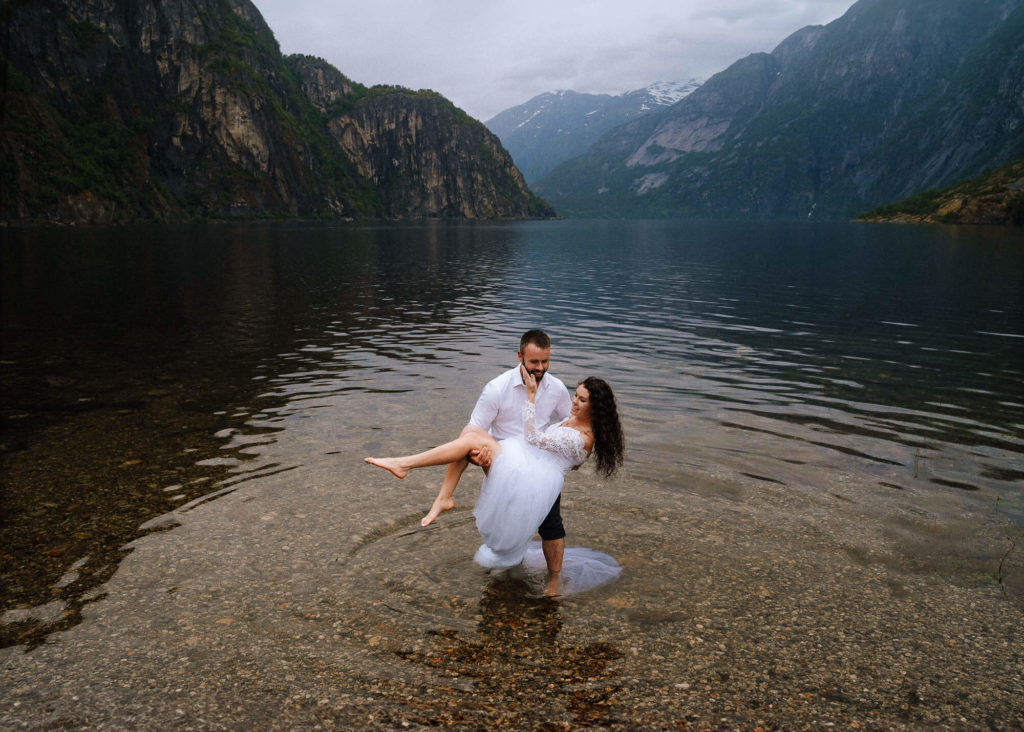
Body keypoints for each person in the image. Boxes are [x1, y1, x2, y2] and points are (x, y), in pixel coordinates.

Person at [365, 370, 625, 594]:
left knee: (471, 439)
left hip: (533, 478)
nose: (574, 401)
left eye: (582, 399)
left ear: (596, 407)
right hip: (531, 468)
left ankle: (408, 467)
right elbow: (562, 454)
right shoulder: (572, 420)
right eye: (575, 395)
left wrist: (532, 396)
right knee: (470, 433)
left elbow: (535, 438)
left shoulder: (583, 437)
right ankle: (438, 492)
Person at [423, 330, 573, 582]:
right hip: (504, 468)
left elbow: (570, 425)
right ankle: (506, 576)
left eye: (545, 361)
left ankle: (554, 582)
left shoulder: (556, 388)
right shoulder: (496, 388)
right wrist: (476, 456)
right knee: (506, 524)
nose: (540, 368)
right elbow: (472, 435)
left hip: (541, 468)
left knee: (551, 524)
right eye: (534, 362)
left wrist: (572, 457)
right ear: (520, 356)